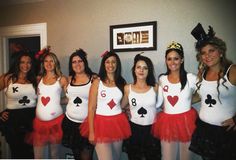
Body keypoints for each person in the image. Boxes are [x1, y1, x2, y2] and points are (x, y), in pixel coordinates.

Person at [189, 23, 236, 160]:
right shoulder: (202, 72)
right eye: (203, 52)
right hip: (204, 130)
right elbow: (200, 96)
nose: (207, 56)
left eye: (211, 51)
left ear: (220, 52)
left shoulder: (232, 71)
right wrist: (173, 103)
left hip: (225, 134)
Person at [152, 41, 198, 160]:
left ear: (182, 60)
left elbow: (206, 92)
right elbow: (159, 103)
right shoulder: (162, 79)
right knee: (167, 158)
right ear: (166, 60)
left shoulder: (191, 78)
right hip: (167, 123)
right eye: (169, 59)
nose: (172, 62)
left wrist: (188, 101)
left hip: (186, 123)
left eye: (176, 58)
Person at [81, 51, 131, 160]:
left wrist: (129, 108)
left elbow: (122, 104)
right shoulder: (97, 82)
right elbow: (91, 108)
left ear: (117, 64)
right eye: (107, 62)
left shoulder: (121, 82)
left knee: (116, 157)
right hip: (100, 124)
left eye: (113, 62)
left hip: (118, 123)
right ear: (104, 64)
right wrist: (91, 132)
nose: (110, 65)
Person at [28, 51, 68, 159]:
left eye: (52, 61)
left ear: (56, 63)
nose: (49, 64)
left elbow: (70, 98)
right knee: (39, 156)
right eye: (46, 61)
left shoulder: (62, 79)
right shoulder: (38, 79)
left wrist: (56, 101)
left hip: (56, 123)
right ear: (43, 63)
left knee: (55, 155)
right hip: (39, 123)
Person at [121, 54, 161, 160]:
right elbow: (120, 106)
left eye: (145, 68)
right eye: (138, 67)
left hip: (152, 130)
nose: (141, 70)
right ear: (134, 70)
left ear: (149, 71)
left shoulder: (155, 87)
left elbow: (165, 105)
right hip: (134, 130)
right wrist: (125, 110)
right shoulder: (127, 88)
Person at [0, 51, 37, 158]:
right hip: (13, 121)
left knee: (31, 154)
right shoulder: (7, 78)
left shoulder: (36, 79)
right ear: (17, 63)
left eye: (29, 62)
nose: (25, 65)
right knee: (17, 153)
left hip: (31, 120)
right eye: (22, 62)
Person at [61, 49, 94, 160]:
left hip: (87, 125)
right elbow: (68, 98)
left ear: (85, 62)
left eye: (80, 61)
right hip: (70, 123)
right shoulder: (69, 79)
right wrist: (53, 101)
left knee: (86, 156)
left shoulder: (93, 79)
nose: (77, 64)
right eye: (74, 62)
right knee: (76, 156)